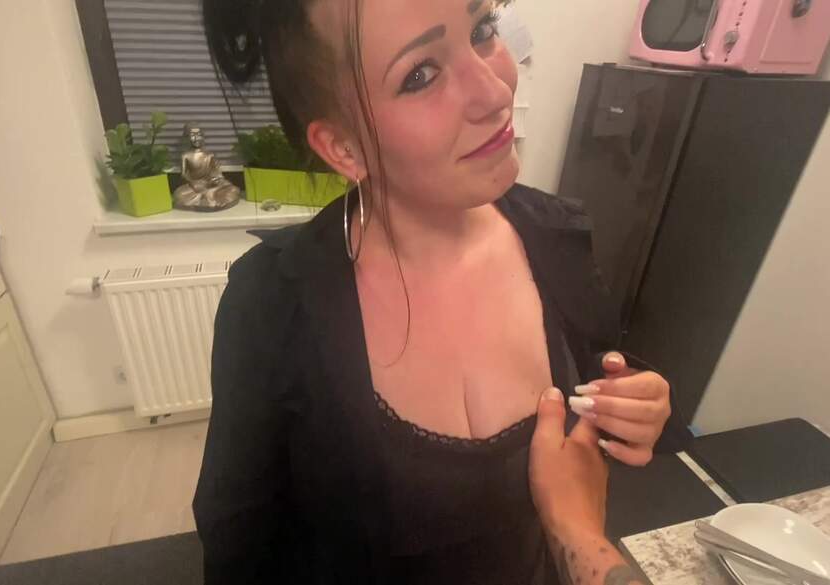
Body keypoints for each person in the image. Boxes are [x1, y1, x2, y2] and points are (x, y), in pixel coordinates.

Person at [193, 0, 691, 583]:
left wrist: (633, 408)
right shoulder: (273, 305)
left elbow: (592, 390)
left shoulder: (558, 236)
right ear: (345, 147)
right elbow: (239, 549)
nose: (495, 91)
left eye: (482, 30)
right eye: (420, 75)